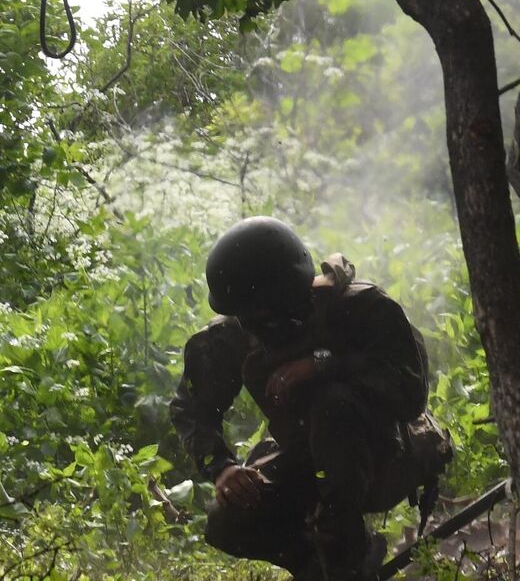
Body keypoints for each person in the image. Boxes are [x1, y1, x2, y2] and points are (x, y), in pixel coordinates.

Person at [171, 217, 452, 580]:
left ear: (288, 294)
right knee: (228, 521)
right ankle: (325, 565)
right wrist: (222, 467)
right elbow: (191, 408)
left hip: (386, 451)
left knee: (332, 405)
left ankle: (344, 552)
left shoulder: (362, 309)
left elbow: (409, 393)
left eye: (263, 315)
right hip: (304, 451)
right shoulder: (236, 335)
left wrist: (324, 366)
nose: (256, 325)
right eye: (246, 316)